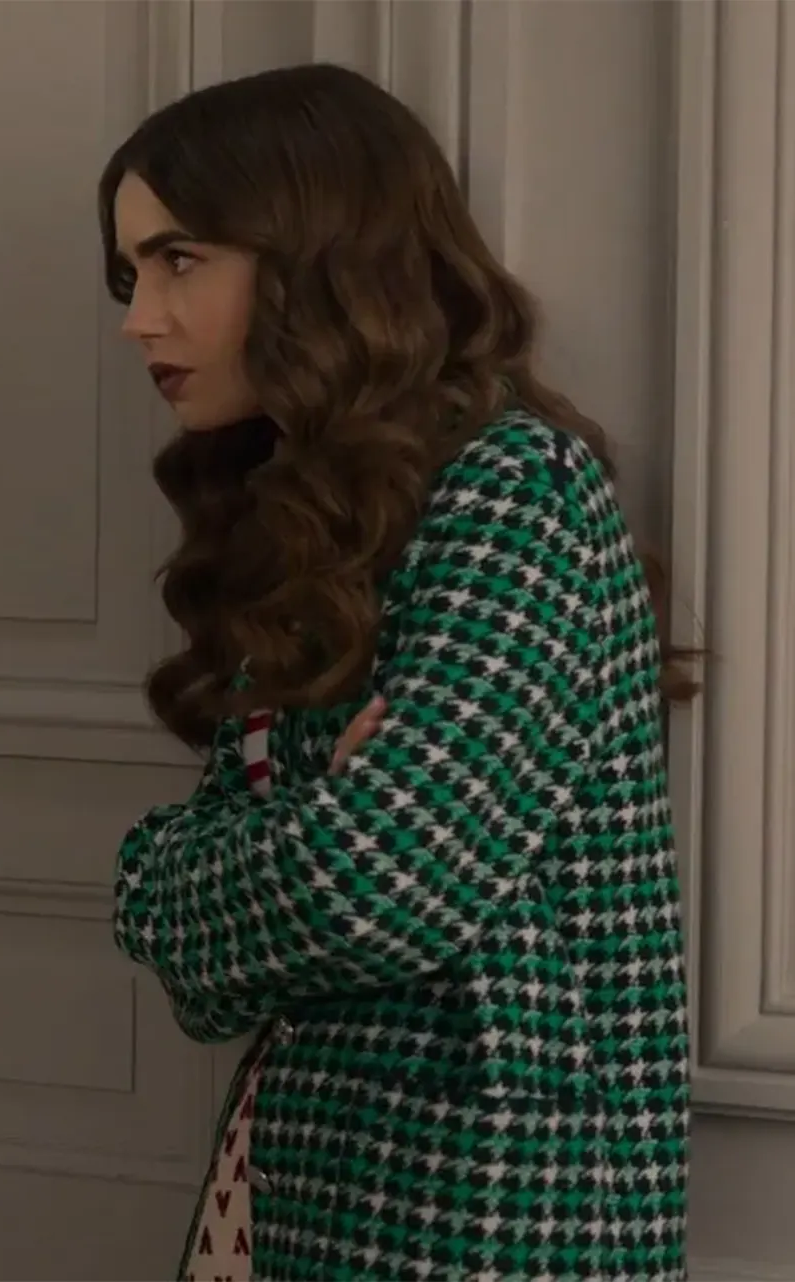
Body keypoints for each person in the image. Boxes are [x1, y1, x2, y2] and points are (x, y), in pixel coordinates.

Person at [99, 61, 691, 1282]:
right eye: (130, 275)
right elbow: (201, 915)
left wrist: (250, 859)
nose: (138, 319)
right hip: (308, 1179)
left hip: (494, 1215)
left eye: (179, 261)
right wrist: (243, 854)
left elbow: (380, 883)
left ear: (317, 252)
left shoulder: (516, 491)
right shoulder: (311, 523)